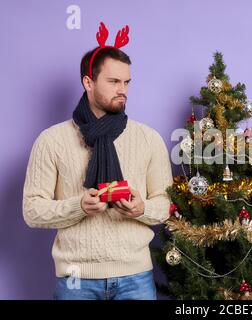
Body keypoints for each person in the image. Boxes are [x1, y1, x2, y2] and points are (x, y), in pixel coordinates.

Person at [22, 22, 173, 300]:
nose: (123, 89)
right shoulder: (52, 140)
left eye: (127, 82)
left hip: (135, 276)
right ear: (88, 82)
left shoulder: (148, 138)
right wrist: (78, 206)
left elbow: (166, 205)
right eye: (114, 82)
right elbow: (32, 210)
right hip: (76, 278)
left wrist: (141, 208)